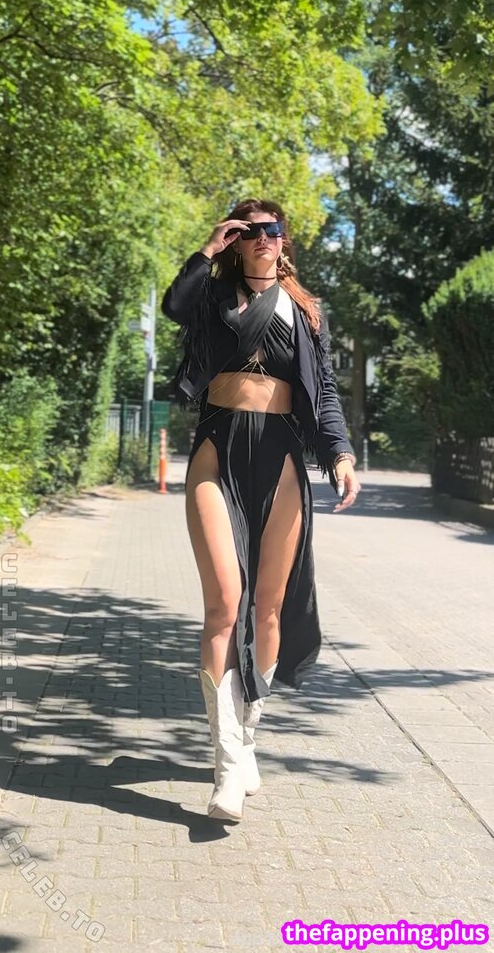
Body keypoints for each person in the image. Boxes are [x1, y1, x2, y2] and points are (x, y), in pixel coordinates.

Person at [161, 197, 361, 822]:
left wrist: (341, 453)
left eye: (271, 230)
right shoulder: (211, 297)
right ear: (237, 240)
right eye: (249, 231)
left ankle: (247, 736)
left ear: (284, 239)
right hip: (217, 450)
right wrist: (207, 249)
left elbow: (323, 389)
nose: (262, 239)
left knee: (268, 605)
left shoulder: (305, 310)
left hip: (280, 455)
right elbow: (173, 306)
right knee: (225, 601)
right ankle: (225, 764)